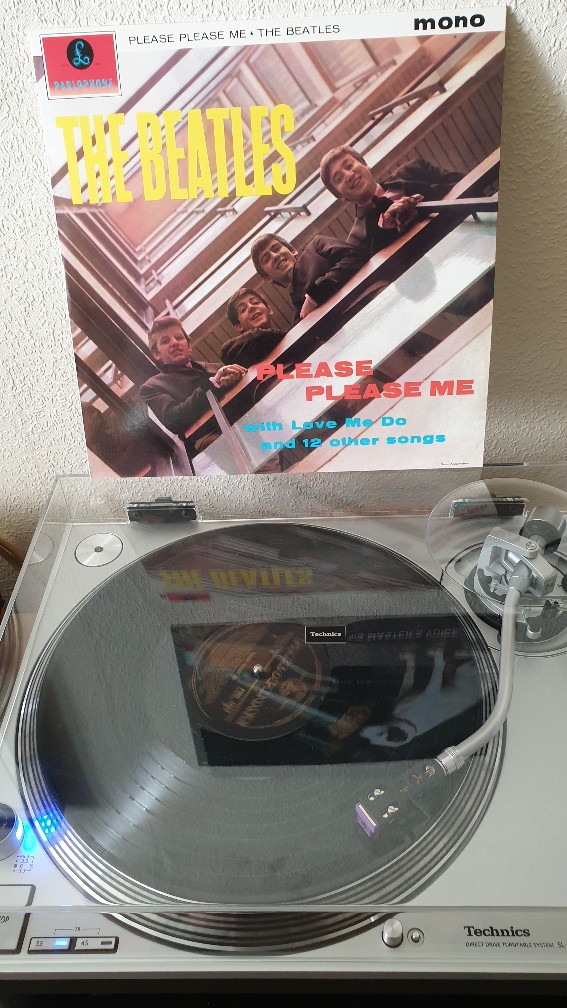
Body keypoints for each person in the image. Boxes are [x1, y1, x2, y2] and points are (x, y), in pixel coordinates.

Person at [319, 145, 463, 258]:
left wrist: (419, 200)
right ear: (340, 195)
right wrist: (385, 229)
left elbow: (465, 182)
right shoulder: (356, 242)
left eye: (349, 165)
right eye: (339, 178)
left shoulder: (414, 169)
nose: (348, 175)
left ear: (365, 164)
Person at [139, 316, 245, 455]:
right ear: (156, 354)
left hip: (246, 420)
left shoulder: (215, 367)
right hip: (213, 439)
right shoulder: (152, 387)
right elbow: (174, 420)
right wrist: (213, 384)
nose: (174, 343)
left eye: (178, 337)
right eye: (165, 341)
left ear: (189, 346)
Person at [250, 232, 365, 325]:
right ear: (267, 278)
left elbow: (354, 256)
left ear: (292, 250)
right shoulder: (298, 317)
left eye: (276, 248)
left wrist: (314, 296)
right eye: (266, 259)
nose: (275, 256)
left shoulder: (316, 245)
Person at [220, 287, 285, 367]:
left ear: (269, 309)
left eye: (255, 302)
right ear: (239, 326)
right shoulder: (235, 351)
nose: (251, 307)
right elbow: (226, 351)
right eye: (243, 309)